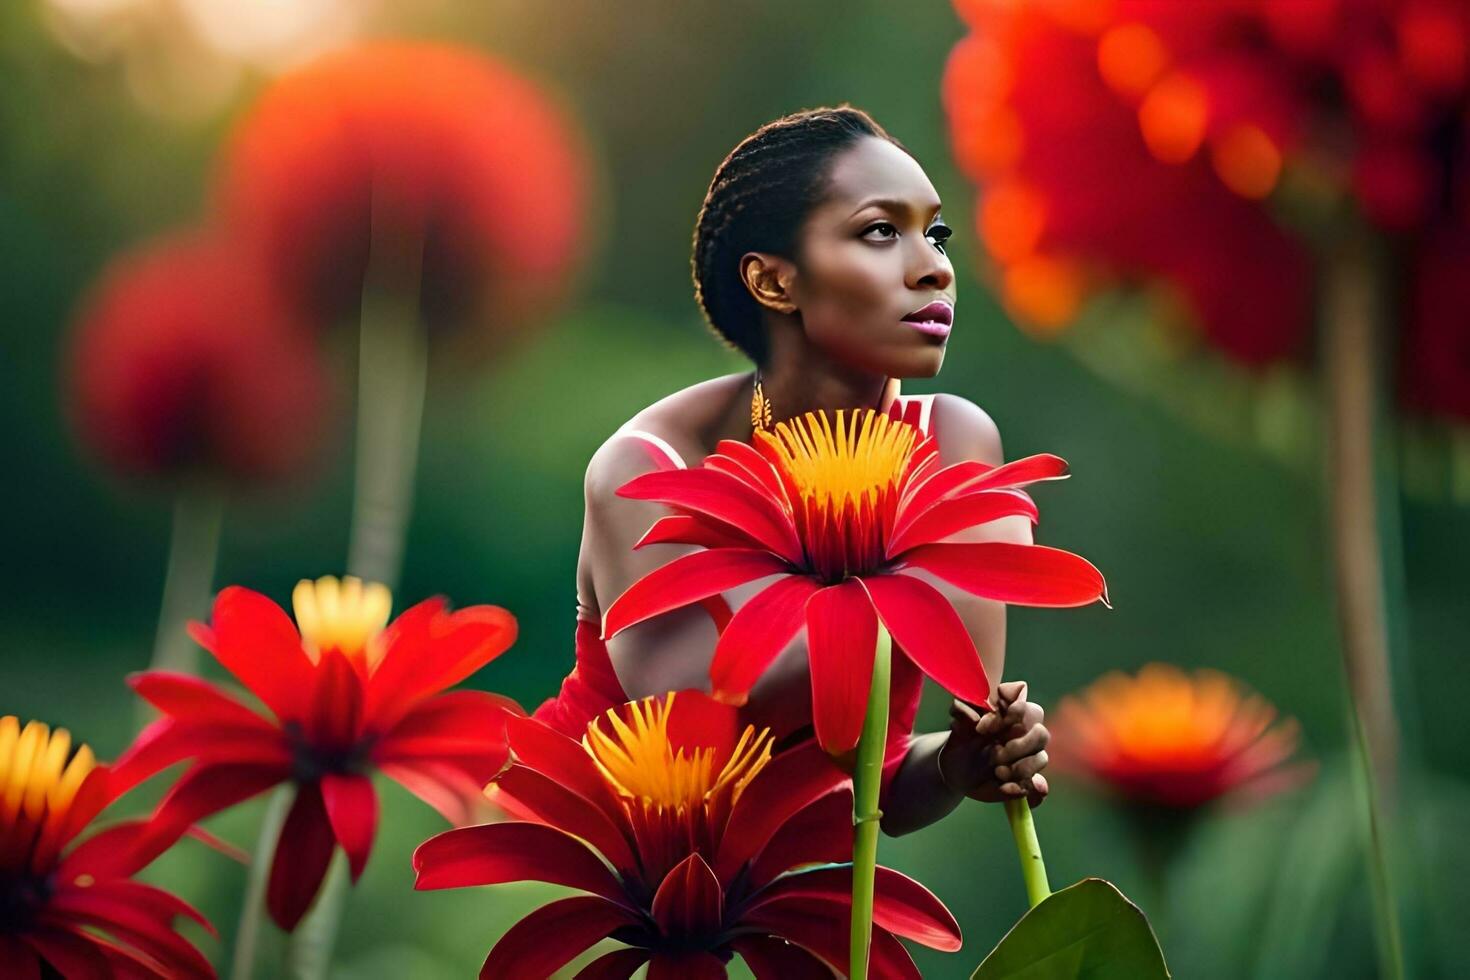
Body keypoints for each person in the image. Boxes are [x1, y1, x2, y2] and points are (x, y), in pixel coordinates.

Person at [536, 106, 1050, 836]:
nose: (934, 266)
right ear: (775, 284)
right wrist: (915, 564)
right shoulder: (646, 468)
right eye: (881, 231)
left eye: (935, 234)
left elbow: (875, 778)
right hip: (590, 866)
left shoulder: (956, 442)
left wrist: (960, 764)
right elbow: (699, 736)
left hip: (776, 893)